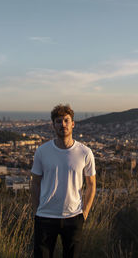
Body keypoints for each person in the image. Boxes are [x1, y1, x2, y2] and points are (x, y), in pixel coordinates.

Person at [31, 104, 97, 258]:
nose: (63, 125)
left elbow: (92, 185)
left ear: (73, 123)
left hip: (73, 218)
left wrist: (84, 213)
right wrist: (36, 211)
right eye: (58, 121)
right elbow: (35, 182)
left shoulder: (85, 152)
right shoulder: (42, 151)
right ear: (53, 125)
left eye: (66, 120)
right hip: (45, 217)